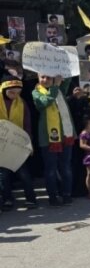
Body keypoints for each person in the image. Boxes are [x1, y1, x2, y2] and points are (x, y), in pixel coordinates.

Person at [32, 74, 75, 207]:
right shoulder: (36, 92)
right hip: (48, 138)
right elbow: (45, 102)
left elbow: (67, 77)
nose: (45, 80)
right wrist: (55, 85)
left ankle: (67, 194)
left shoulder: (59, 89)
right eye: (42, 77)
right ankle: (53, 196)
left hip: (65, 134)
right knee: (50, 169)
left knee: (65, 167)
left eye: (49, 77)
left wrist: (60, 73)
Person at [0, 76, 37, 210]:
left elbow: (27, 125)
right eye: (12, 92)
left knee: (24, 173)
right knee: (3, 175)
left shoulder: (22, 104)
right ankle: (7, 199)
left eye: (18, 93)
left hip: (17, 145)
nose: (15, 95)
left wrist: (29, 143)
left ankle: (31, 199)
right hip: (1, 146)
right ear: (4, 90)